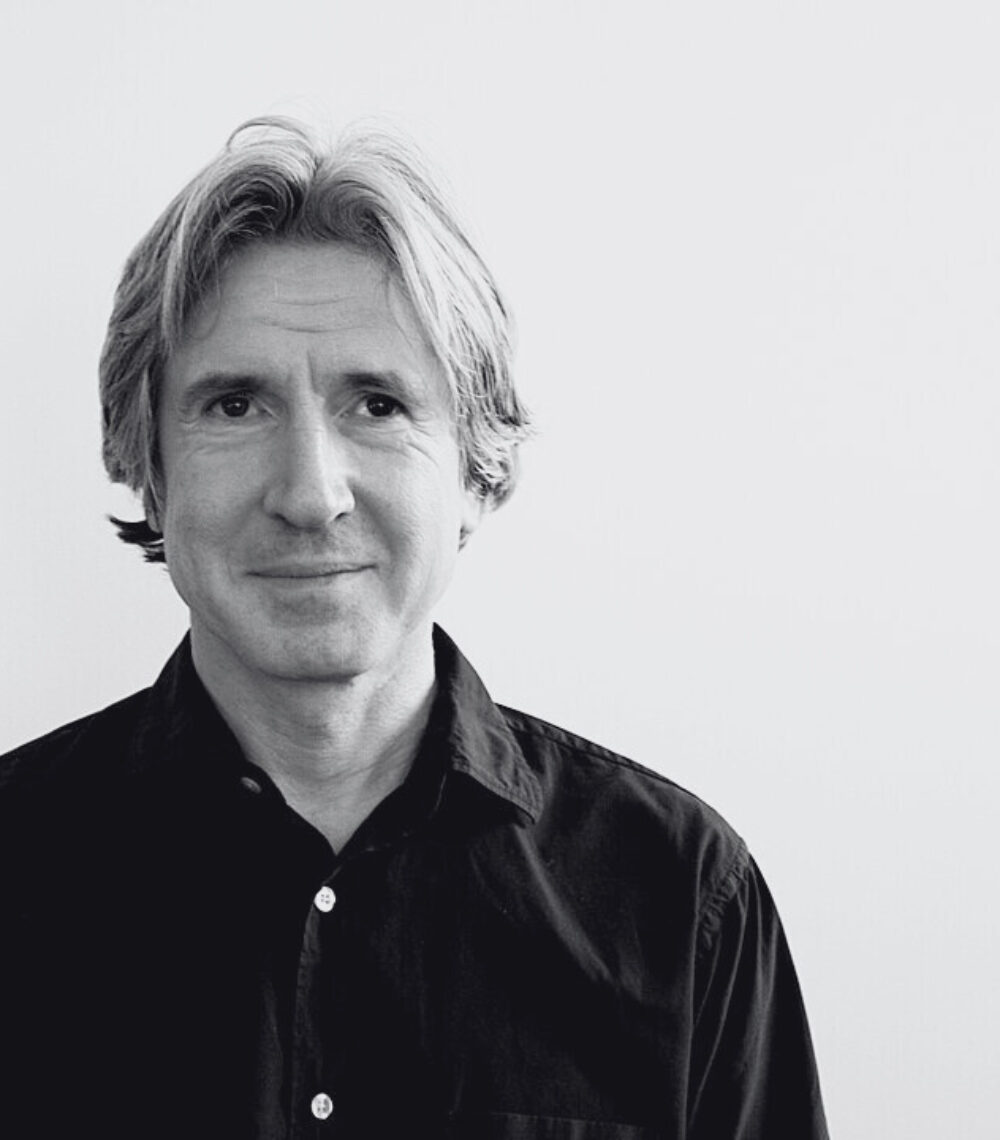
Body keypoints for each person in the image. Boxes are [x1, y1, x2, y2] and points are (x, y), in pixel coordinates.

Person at [0, 117, 829, 1140]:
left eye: (378, 404)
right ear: (148, 467)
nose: (310, 494)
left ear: (478, 470)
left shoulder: (680, 896)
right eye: (236, 405)